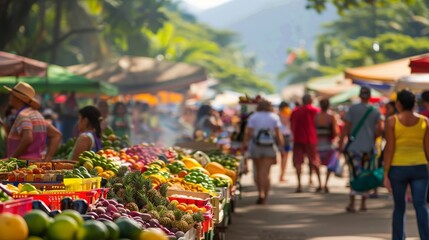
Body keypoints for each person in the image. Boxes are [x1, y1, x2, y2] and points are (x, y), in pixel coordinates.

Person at [383, 89, 429, 240]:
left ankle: (398, 238)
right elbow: (427, 149)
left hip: (398, 168)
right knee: (420, 204)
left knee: (399, 207)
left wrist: (385, 173)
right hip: (420, 167)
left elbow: (389, 149)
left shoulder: (392, 121)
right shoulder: (424, 121)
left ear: (398, 104)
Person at [339, 86, 383, 213]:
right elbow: (380, 129)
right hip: (368, 148)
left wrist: (341, 144)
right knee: (366, 173)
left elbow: (346, 128)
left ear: (359, 96)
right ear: (369, 96)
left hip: (353, 148)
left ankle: (352, 203)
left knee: (353, 174)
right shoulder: (375, 110)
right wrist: (372, 137)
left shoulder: (352, 109)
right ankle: (363, 203)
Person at [4, 82, 62, 161]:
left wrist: (11, 159)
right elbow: (57, 135)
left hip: (22, 164)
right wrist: (48, 157)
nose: (10, 97)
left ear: (18, 98)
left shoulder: (23, 115)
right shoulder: (37, 115)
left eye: (12, 95)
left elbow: (27, 138)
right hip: (36, 163)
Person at [242, 100, 284, 204]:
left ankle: (260, 192)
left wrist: (245, 144)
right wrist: (281, 147)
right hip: (269, 147)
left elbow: (248, 133)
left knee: (258, 171)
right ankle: (265, 195)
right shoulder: (274, 117)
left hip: (256, 146)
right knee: (266, 173)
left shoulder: (254, 117)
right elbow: (278, 134)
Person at [290, 94, 322, 193]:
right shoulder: (315, 110)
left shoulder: (295, 111)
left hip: (298, 138)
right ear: (311, 101)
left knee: (298, 162)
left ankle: (299, 185)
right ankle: (320, 184)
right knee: (314, 160)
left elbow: (291, 123)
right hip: (311, 139)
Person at [315, 98, 338, 193]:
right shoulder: (331, 117)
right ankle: (326, 184)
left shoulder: (316, 116)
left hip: (317, 143)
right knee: (330, 164)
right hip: (328, 143)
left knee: (316, 164)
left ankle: (319, 183)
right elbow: (336, 132)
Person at [278, 101, 292, 182]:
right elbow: (287, 122)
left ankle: (282, 175)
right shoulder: (286, 113)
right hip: (285, 136)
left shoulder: (277, 115)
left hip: (281, 136)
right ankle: (282, 175)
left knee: (283, 156)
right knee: (285, 156)